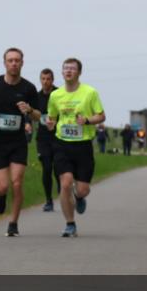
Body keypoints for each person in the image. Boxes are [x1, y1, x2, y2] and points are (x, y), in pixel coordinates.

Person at [0, 48, 41, 236]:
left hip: (18, 142)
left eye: (17, 60)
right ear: (4, 63)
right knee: (3, 186)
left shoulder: (28, 88)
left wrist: (30, 110)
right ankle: (0, 195)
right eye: (10, 60)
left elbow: (40, 116)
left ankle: (13, 223)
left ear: (22, 63)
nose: (14, 63)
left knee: (16, 182)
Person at [45, 57, 106, 238]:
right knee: (65, 183)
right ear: (62, 72)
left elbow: (101, 116)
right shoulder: (55, 95)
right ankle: (70, 224)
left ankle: (79, 197)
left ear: (79, 72)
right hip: (62, 144)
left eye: (72, 68)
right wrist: (50, 123)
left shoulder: (90, 92)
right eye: (65, 68)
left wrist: (87, 120)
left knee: (82, 189)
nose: (69, 71)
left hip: (83, 146)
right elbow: (52, 118)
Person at [34, 68, 60, 212]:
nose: (46, 82)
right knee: (47, 168)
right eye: (43, 79)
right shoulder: (36, 97)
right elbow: (30, 112)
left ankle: (62, 194)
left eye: (48, 79)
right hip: (43, 139)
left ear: (52, 80)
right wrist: (27, 124)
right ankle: (48, 200)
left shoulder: (59, 94)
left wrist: (56, 122)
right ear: (40, 80)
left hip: (58, 137)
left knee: (58, 169)